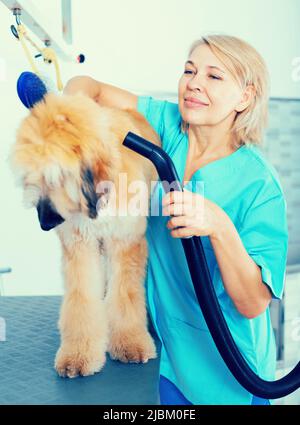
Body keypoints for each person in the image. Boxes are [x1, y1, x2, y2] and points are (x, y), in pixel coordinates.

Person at [64, 34, 288, 405]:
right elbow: (93, 89)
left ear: (245, 97)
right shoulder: (164, 127)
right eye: (189, 70)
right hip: (171, 358)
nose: (194, 83)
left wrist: (217, 225)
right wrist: (69, 107)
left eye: (214, 76)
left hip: (232, 371)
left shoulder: (260, 185)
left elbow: (252, 303)